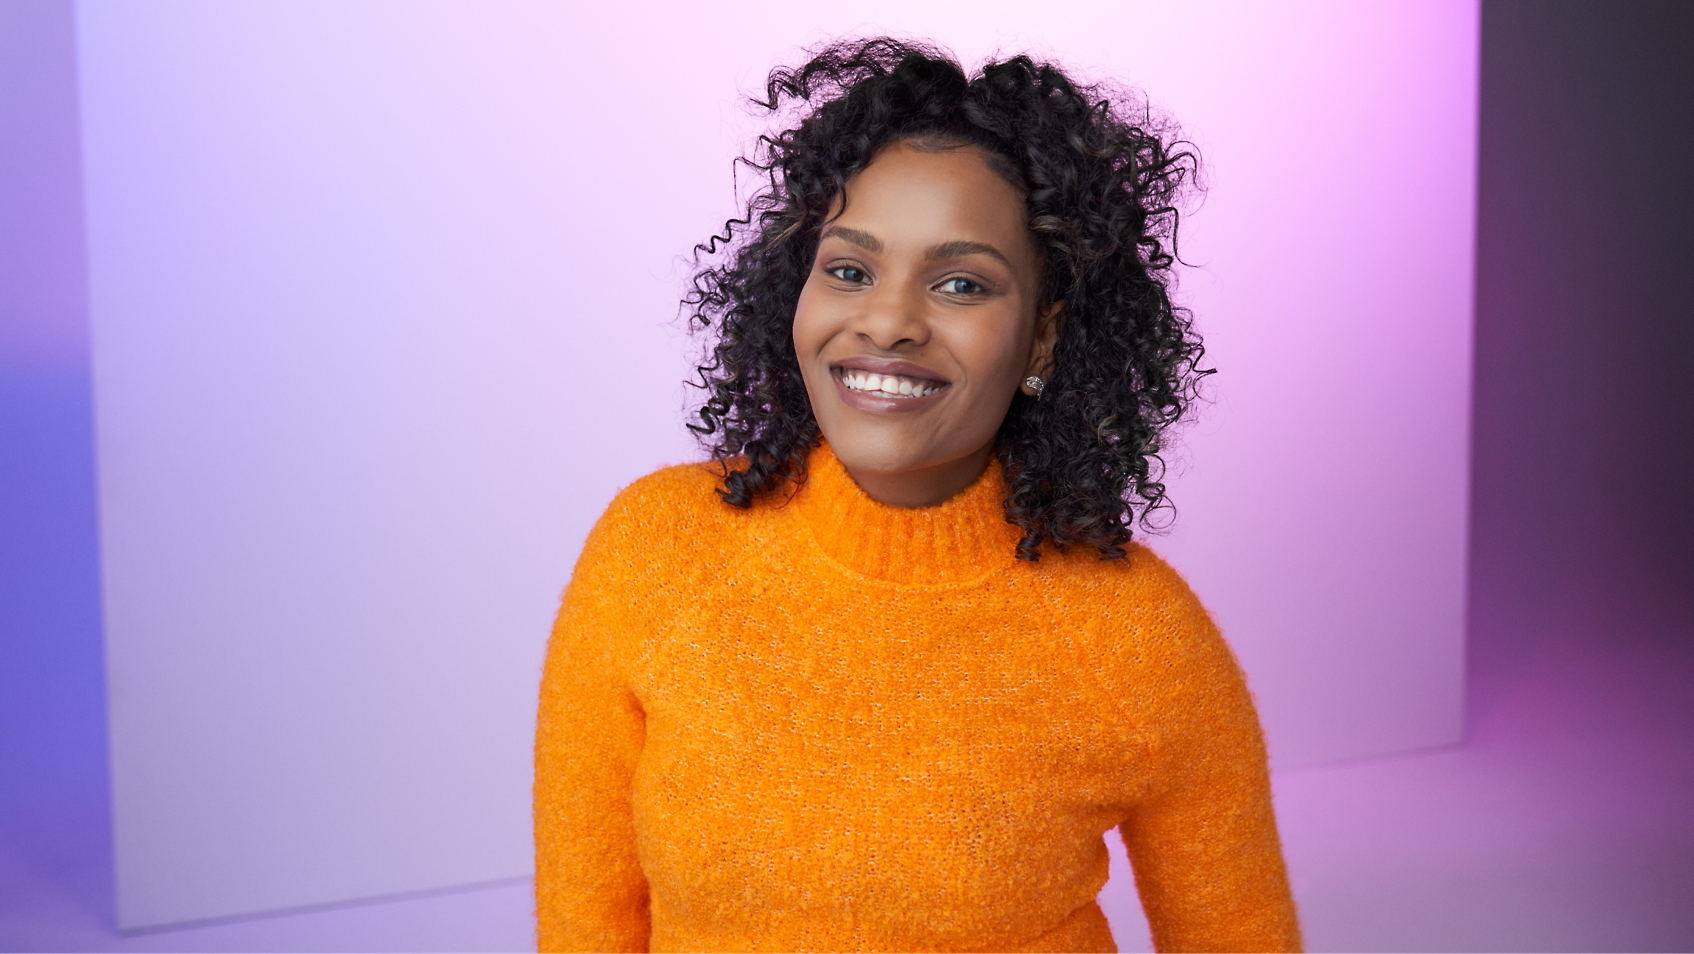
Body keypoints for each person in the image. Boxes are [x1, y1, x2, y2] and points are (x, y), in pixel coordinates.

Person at [534, 38, 1301, 953]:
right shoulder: (653, 550)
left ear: (1044, 341)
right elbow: (587, 921)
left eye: (960, 284)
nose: (889, 321)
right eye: (850, 270)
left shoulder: (1135, 638)